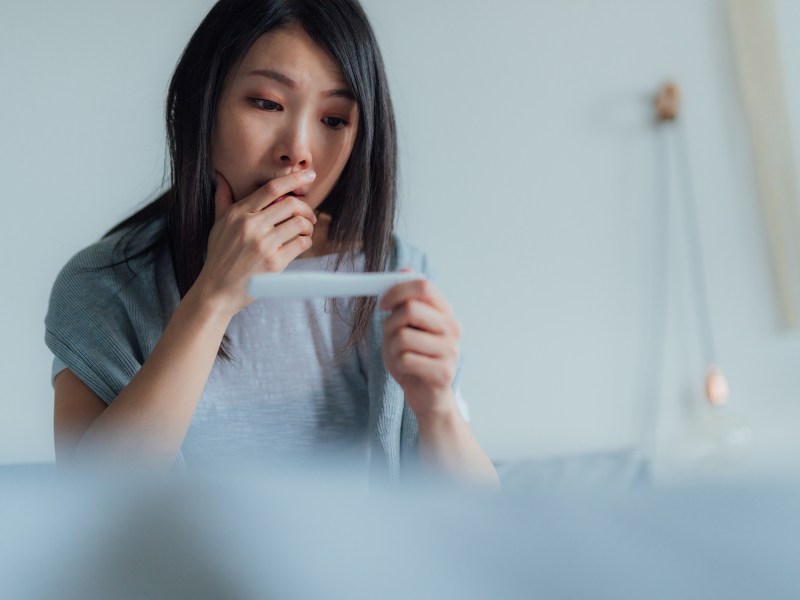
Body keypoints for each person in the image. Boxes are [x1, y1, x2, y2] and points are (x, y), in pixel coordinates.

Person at [45, 0, 498, 486]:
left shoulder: (390, 273)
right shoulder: (104, 286)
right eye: (267, 103)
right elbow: (91, 508)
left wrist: (439, 410)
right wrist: (213, 299)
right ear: (201, 103)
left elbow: (479, 525)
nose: (298, 151)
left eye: (334, 120)